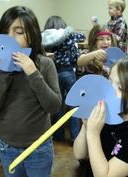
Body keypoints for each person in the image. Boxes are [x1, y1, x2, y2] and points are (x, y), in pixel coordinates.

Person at [0, 6, 62, 177]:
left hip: (38, 147)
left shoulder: (45, 64)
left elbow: (53, 106)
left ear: (32, 34)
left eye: (18, 31)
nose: (10, 37)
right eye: (6, 31)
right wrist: (4, 72)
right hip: (7, 147)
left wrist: (33, 73)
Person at [42, 16, 85, 144]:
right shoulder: (69, 36)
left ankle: (58, 135)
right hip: (68, 72)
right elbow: (81, 38)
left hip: (53, 73)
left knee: (58, 105)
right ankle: (74, 137)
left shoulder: (43, 38)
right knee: (73, 105)